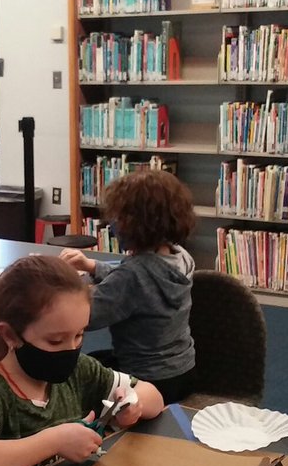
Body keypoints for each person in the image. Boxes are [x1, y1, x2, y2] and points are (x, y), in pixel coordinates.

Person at [0, 255, 164, 466]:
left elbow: (155, 397)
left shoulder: (80, 371)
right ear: (10, 335)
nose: (71, 349)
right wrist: (55, 441)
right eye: (55, 341)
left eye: (79, 335)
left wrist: (130, 402)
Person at [59, 168, 198, 405]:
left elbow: (81, 318)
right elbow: (140, 273)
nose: (112, 223)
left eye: (119, 217)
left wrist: (59, 282)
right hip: (183, 371)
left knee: (68, 375)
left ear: (135, 224)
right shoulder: (181, 257)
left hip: (145, 381)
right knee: (96, 361)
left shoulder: (131, 278)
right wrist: (93, 266)